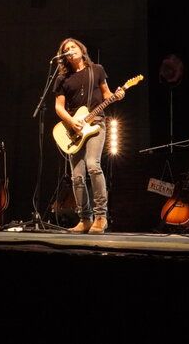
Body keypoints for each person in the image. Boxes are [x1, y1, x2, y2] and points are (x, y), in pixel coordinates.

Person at [53, 38, 123, 234]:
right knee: (77, 176)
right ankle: (85, 219)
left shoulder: (97, 70)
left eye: (73, 47)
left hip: (96, 123)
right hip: (74, 128)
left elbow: (107, 94)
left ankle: (101, 217)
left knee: (93, 164)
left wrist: (118, 95)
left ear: (81, 50)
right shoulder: (62, 79)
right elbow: (59, 107)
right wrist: (71, 122)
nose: (70, 50)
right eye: (66, 49)